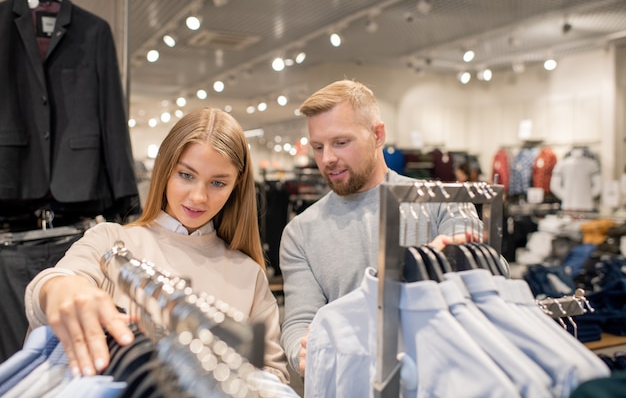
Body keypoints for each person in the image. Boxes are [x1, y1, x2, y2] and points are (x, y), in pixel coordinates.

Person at [24, 107, 289, 383]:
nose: (198, 197)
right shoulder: (111, 241)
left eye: (218, 183)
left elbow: (273, 376)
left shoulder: (248, 275)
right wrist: (60, 289)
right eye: (186, 175)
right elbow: (49, 288)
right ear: (165, 169)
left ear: (237, 185)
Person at [279, 79, 487, 375]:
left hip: (438, 379)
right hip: (348, 382)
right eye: (318, 147)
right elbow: (299, 320)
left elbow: (489, 274)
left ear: (378, 135)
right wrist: (300, 350)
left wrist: (453, 259)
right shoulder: (300, 232)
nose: (327, 159)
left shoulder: (442, 201)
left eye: (341, 142)